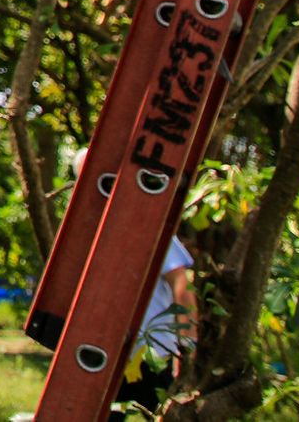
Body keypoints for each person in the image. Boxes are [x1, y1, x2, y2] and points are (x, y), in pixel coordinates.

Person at [69, 148, 196, 410]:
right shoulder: (86, 233)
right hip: (102, 355)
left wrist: (186, 345)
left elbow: (181, 285)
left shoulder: (147, 226)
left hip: (153, 354)